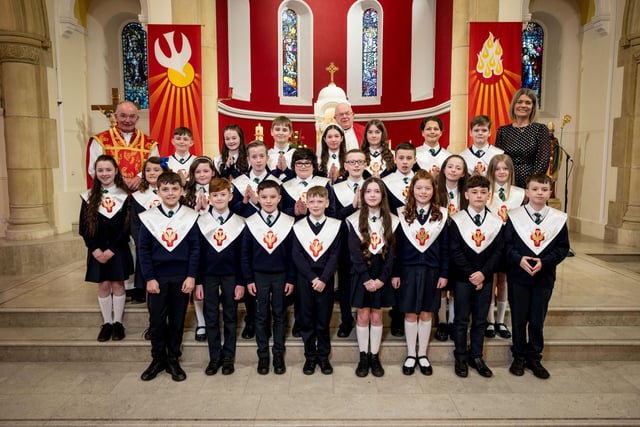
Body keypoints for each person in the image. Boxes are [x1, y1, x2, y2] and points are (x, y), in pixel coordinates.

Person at [505, 173, 570, 379]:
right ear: (527, 191)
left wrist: (545, 262)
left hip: (544, 276)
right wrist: (519, 259)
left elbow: (562, 248)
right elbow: (506, 245)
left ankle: (534, 357)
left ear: (550, 192)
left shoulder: (558, 219)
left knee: (536, 319)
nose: (539, 193)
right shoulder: (515, 216)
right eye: (534, 189)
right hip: (518, 275)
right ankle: (518, 356)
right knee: (518, 318)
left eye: (544, 190)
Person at [138, 171, 200, 382]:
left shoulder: (190, 216)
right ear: (158, 191)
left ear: (182, 191)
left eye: (175, 189)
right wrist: (149, 278)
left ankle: (173, 359)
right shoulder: (149, 218)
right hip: (158, 278)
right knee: (156, 321)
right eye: (165, 189)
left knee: (177, 320)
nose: (171, 193)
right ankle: (157, 359)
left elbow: (195, 250)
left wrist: (191, 276)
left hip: (181, 277)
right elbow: (143, 250)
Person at [392, 170, 448, 376]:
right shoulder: (401, 214)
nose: (423, 192)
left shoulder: (441, 215)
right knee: (409, 311)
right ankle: (410, 354)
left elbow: (444, 249)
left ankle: (422, 354)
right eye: (419, 188)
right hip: (407, 269)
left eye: (427, 188)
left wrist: (444, 273)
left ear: (434, 191)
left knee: (426, 312)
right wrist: (395, 273)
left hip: (432, 270)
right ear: (411, 190)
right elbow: (395, 248)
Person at [449, 175, 504, 378]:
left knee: (481, 319)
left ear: (489, 195)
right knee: (462, 319)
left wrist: (483, 274)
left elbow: (499, 252)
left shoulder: (496, 222)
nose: (479, 196)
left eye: (483, 192)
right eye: (474, 192)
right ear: (466, 195)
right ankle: (461, 356)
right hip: (464, 278)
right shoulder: (457, 220)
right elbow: (454, 251)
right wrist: (471, 273)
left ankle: (477, 355)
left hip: (486, 278)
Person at [229, 140, 282, 339]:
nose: (258, 160)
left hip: (273, 235)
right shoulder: (240, 182)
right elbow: (233, 209)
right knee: (250, 277)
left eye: (262, 156)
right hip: (248, 233)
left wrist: (259, 202)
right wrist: (246, 202)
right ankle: (252, 319)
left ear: (268, 158)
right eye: (254, 157)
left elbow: (281, 208)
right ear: (248, 159)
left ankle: (271, 321)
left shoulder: (277, 180)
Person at [241, 180, 296, 375]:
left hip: (281, 275)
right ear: (258, 197)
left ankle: (278, 354)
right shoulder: (251, 222)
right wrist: (248, 279)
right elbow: (245, 254)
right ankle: (263, 355)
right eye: (264, 197)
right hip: (259, 276)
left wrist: (290, 278)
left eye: (273, 197)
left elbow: (292, 254)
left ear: (279, 198)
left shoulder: (288, 221)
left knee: (280, 315)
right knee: (261, 316)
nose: (268, 201)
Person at [346, 177, 398, 377]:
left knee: (377, 315)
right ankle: (363, 356)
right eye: (368, 192)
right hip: (362, 273)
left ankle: (375, 356)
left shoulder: (393, 220)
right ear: (362, 195)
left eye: (377, 191)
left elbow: (392, 253)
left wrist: (382, 279)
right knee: (362, 314)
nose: (373, 195)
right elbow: (354, 253)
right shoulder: (353, 219)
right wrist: (367, 278)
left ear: (383, 195)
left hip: (381, 273)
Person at [79, 154, 134, 342]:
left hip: (117, 249)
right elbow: (84, 227)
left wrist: (111, 250)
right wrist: (94, 249)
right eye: (100, 170)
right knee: (103, 285)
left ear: (116, 171)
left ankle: (118, 323)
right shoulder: (88, 197)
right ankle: (107, 323)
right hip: (97, 250)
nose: (104, 173)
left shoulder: (124, 195)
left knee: (118, 284)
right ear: (95, 172)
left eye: (108, 169)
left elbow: (127, 227)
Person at [195, 177, 246, 376]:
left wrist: (241, 282)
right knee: (211, 317)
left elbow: (243, 256)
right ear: (209, 198)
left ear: (230, 196)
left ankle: (228, 358)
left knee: (230, 316)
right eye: (215, 195)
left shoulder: (239, 222)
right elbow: (197, 254)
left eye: (223, 194)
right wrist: (198, 280)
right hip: (207, 276)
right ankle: (214, 357)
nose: (219, 198)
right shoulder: (201, 221)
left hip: (231, 276)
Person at [292, 186, 341, 375]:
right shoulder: (299, 227)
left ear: (327, 203)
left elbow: (335, 255)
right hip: (305, 280)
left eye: (320, 201)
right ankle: (310, 357)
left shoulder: (335, 226)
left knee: (323, 320)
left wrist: (323, 279)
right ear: (306, 203)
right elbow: (296, 255)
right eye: (311, 201)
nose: (315, 205)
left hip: (326, 280)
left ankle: (323, 357)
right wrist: (313, 278)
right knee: (306, 320)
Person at [485, 154, 524, 339]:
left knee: (504, 281)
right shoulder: (485, 191)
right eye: (498, 169)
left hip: (510, 242)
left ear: (510, 171)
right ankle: (490, 320)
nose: (501, 172)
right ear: (492, 171)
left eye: (505, 169)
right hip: (490, 241)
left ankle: (500, 320)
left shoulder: (519, 193)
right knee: (490, 280)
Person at [181, 156, 217, 341]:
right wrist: (195, 209)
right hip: (195, 244)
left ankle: (214, 320)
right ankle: (201, 321)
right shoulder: (185, 193)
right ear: (193, 175)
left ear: (212, 172)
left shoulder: (220, 190)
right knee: (198, 282)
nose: (203, 175)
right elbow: (180, 221)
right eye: (198, 172)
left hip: (217, 243)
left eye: (206, 171)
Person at [86, 101, 159, 190]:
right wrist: (118, 180)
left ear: (137, 118)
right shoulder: (100, 140)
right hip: (111, 195)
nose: (127, 120)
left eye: (132, 116)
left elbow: (156, 167)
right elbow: (93, 169)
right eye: (123, 116)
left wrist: (140, 177)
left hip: (141, 194)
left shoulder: (149, 143)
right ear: (116, 117)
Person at [434, 155, 469, 341]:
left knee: (456, 285)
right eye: (450, 166)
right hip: (440, 242)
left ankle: (454, 321)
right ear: (444, 169)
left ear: (463, 173)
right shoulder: (435, 190)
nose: (453, 170)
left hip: (461, 243)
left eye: (458, 168)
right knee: (442, 285)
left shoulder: (467, 192)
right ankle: (442, 322)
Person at [332, 149, 367, 338]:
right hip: (344, 241)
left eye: (359, 162)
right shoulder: (336, 188)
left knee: (366, 278)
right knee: (345, 282)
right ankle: (346, 320)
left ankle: (364, 316)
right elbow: (332, 216)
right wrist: (351, 207)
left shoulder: (373, 186)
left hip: (368, 241)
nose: (355, 165)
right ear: (345, 166)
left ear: (365, 164)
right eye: (352, 162)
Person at [495, 88, 551, 188]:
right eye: (519, 102)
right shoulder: (503, 131)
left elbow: (543, 162)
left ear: (533, 107)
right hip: (507, 181)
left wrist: (530, 186)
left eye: (528, 103)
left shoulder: (540, 129)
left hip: (532, 183)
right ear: (514, 105)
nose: (523, 105)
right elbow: (498, 160)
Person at [130, 156, 164, 305]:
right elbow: (134, 223)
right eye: (148, 170)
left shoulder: (171, 193)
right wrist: (140, 242)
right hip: (146, 242)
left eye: (156, 170)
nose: (151, 173)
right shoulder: (138, 197)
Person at [280, 147, 336, 220]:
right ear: (293, 166)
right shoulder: (285, 185)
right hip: (292, 226)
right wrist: (294, 211)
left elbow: (332, 211)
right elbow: (280, 211)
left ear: (314, 166)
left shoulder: (324, 184)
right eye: (299, 163)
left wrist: (310, 211)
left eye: (307, 163)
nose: (303, 167)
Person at [383, 142, 417, 214]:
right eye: (401, 158)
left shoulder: (421, 180)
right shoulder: (385, 182)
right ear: (395, 160)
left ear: (415, 160)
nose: (405, 162)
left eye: (409, 158)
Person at [268, 116, 296, 181]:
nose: (281, 133)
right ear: (272, 132)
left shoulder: (296, 154)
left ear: (290, 133)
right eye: (277, 129)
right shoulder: (267, 155)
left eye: (284, 130)